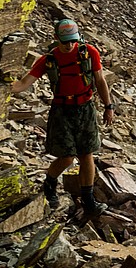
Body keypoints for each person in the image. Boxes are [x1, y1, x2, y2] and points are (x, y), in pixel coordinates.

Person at [10, 18, 115, 216]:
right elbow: (23, 84)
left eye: (72, 41)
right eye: (65, 41)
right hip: (62, 110)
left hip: (86, 107)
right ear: (56, 38)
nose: (69, 45)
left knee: (86, 154)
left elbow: (100, 81)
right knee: (67, 158)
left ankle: (89, 201)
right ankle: (50, 183)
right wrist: (2, 83)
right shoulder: (48, 60)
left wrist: (108, 106)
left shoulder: (89, 53)